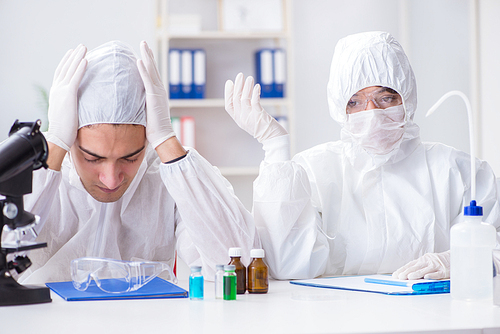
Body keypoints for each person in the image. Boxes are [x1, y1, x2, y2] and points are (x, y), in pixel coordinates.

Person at [224, 31, 500, 280]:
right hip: (341, 317)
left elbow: (496, 248)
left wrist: (467, 261)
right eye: (355, 102)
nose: (372, 113)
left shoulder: (459, 171)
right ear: (340, 108)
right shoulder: (314, 169)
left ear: (408, 98)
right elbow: (285, 265)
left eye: (386, 98)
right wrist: (275, 146)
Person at [9, 40, 258, 283]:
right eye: (92, 158)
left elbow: (236, 267)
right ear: (72, 138)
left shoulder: (171, 175)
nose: (111, 178)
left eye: (131, 157)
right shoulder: (44, 172)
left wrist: (166, 139)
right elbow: (7, 248)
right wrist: (55, 143)